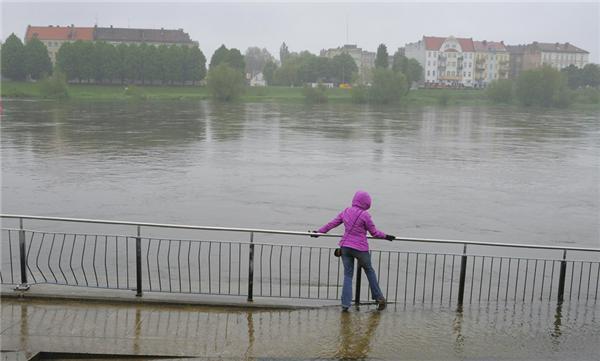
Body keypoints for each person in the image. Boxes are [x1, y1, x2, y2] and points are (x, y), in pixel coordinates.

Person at [312, 190, 395, 311]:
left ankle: (345, 305)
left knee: (348, 275)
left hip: (345, 247)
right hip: (361, 249)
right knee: (369, 270)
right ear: (367, 203)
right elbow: (374, 233)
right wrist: (387, 237)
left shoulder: (346, 211)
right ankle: (379, 298)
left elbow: (332, 224)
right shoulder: (365, 215)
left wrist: (318, 232)